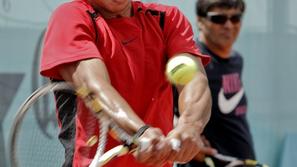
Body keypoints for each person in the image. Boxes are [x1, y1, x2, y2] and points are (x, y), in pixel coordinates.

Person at [40, 0, 212, 167]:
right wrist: (138, 132)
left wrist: (190, 126)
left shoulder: (167, 18)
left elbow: (194, 80)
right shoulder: (70, 16)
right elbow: (93, 87)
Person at [177, 0, 255, 166]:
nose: (228, 25)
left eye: (235, 18)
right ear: (200, 20)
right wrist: (188, 139)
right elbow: (164, 110)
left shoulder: (236, 60)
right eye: (219, 19)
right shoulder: (192, 61)